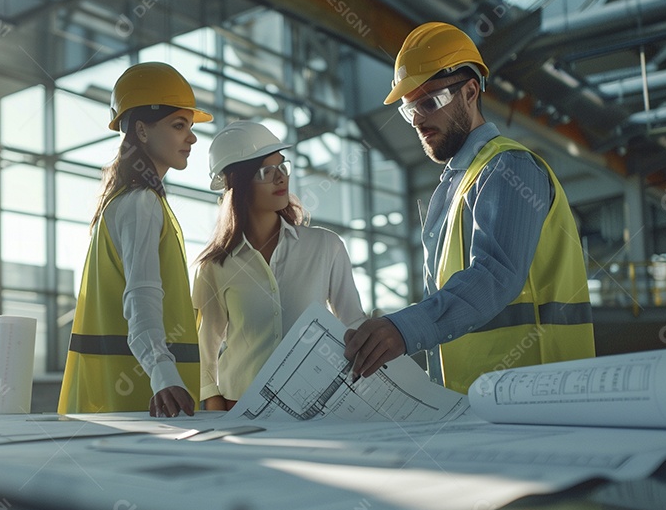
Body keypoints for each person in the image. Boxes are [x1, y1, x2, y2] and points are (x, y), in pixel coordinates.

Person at [343, 22, 595, 393]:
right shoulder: (457, 185)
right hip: (479, 398)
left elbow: (495, 274)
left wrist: (404, 328)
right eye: (409, 109)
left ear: (470, 92)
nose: (418, 121)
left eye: (429, 102)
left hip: (539, 393)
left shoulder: (509, 168)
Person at [58, 62, 212, 417]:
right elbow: (141, 298)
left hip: (124, 397)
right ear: (141, 131)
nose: (191, 138)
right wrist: (163, 375)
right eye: (179, 125)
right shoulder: (141, 203)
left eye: (189, 127)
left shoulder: (132, 200)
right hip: (139, 398)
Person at [193, 122, 366, 410]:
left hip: (317, 403)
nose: (280, 178)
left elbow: (354, 323)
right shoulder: (214, 267)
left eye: (282, 167)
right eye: (266, 171)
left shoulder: (326, 246)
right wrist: (214, 406)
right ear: (239, 182)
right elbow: (205, 349)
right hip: (239, 405)